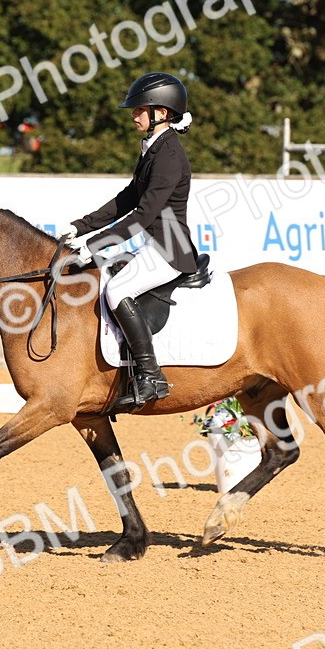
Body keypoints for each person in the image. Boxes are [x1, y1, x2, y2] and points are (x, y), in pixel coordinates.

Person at [58, 72, 198, 410]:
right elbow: (127, 199)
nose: (134, 115)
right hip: (156, 244)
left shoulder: (169, 156)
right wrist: (82, 226)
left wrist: (94, 245)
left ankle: (151, 376)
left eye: (139, 110)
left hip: (171, 250)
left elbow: (142, 216)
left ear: (161, 113)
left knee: (116, 290)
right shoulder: (154, 148)